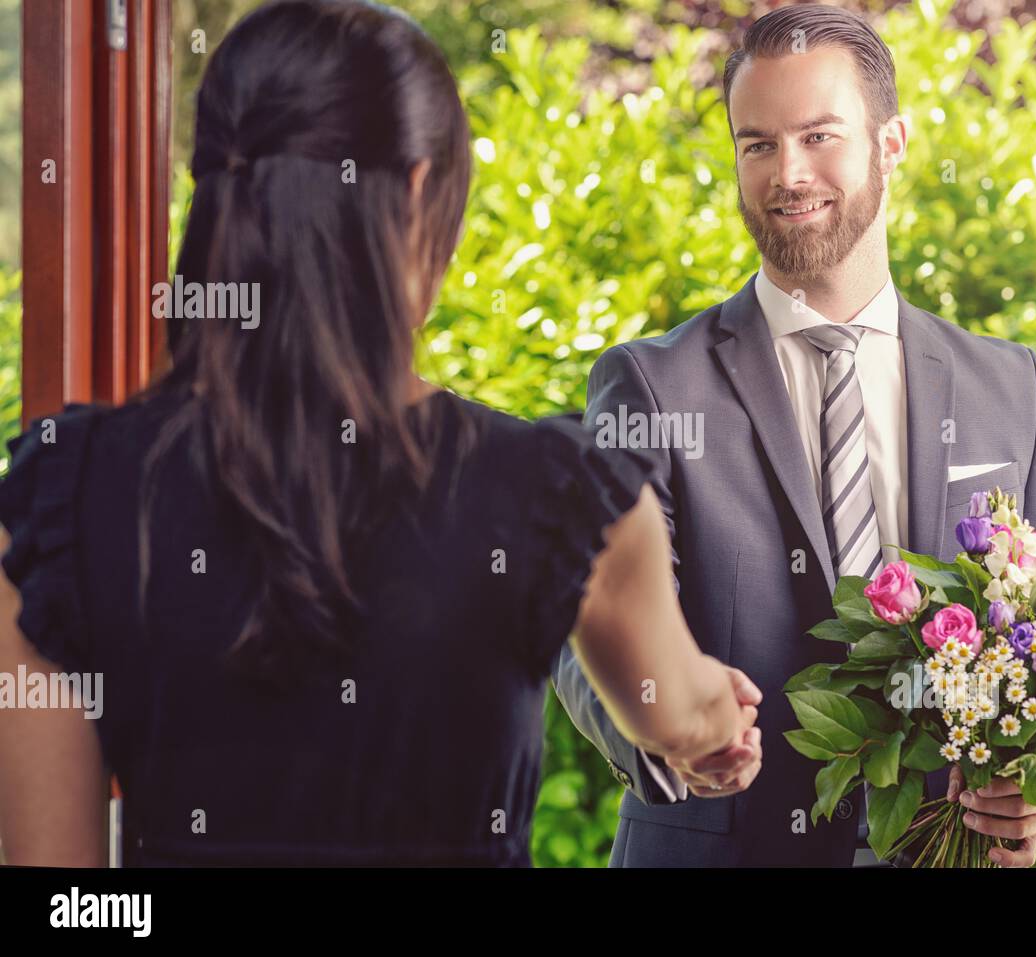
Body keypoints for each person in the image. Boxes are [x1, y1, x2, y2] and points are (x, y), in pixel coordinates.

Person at [0, 0, 759, 867]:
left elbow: (56, 889)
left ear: (215, 192)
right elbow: (685, 715)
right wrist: (722, 724)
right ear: (416, 191)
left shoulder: (61, 498)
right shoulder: (553, 490)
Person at [552, 4, 1036, 867]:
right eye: (757, 144)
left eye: (819, 136)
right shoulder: (648, 382)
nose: (788, 174)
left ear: (891, 142)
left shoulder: (1010, 385)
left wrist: (1034, 790)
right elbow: (592, 618)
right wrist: (669, 732)